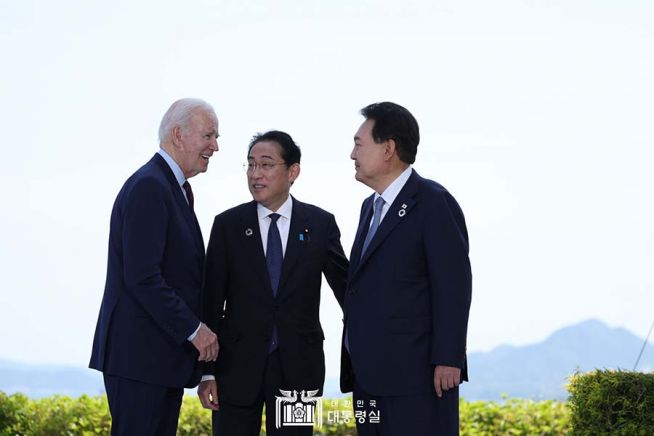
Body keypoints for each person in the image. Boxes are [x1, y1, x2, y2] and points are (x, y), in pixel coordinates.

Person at [198, 130, 348, 435]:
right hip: (235, 369)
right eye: (251, 165)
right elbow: (210, 302)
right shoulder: (228, 225)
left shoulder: (320, 224)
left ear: (293, 171)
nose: (256, 174)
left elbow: (349, 291)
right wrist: (206, 373)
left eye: (266, 165)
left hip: (300, 368)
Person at [89, 98, 220, 435]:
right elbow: (143, 277)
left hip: (159, 361)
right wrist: (194, 329)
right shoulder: (150, 186)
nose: (215, 146)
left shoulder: (172, 188)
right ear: (178, 135)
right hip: (140, 361)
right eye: (208, 135)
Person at [341, 102, 472, 435]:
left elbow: (453, 285)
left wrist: (449, 357)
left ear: (388, 149)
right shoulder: (369, 208)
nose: (352, 154)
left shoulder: (432, 201)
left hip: (417, 378)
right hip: (369, 379)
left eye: (358, 143)